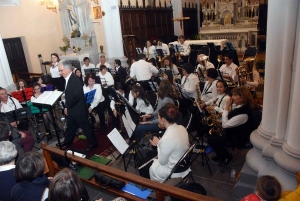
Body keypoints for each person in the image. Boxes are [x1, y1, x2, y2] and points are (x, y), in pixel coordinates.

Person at [139, 104, 190, 182]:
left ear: (163, 120)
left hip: (173, 169)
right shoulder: (182, 127)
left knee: (142, 163)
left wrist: (159, 144)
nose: (158, 119)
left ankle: (151, 185)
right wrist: (160, 143)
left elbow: (162, 162)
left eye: (158, 117)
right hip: (182, 161)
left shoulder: (166, 139)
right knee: (149, 154)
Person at [58, 59, 98, 151]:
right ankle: (67, 142)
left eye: (61, 70)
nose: (60, 73)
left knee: (86, 127)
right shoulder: (67, 79)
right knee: (70, 127)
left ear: (67, 69)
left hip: (79, 110)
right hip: (72, 109)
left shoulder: (75, 80)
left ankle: (93, 143)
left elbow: (77, 96)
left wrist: (67, 105)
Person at [208, 86, 254, 165]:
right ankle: (220, 154)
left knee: (212, 140)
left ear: (242, 98)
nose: (232, 97)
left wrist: (226, 108)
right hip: (233, 131)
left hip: (236, 138)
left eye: (235, 95)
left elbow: (225, 125)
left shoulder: (243, 114)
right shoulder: (240, 106)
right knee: (213, 135)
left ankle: (226, 157)